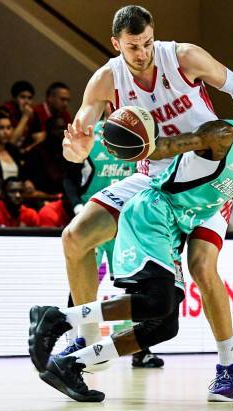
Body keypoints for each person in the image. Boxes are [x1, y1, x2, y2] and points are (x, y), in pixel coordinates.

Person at [55, 5, 233, 401]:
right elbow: (79, 141)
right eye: (133, 47)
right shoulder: (106, 79)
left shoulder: (183, 56)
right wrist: (77, 149)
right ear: (115, 44)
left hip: (206, 178)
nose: (142, 53)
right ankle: (86, 342)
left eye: (147, 43)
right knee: (74, 238)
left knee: (202, 268)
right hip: (154, 180)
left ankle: (228, 369)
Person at [61, 119, 162, 368]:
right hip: (95, 218)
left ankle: (141, 349)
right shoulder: (91, 135)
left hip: (126, 221)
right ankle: (75, 341)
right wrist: (76, 206)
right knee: (83, 281)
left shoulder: (143, 134)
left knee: (135, 285)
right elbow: (69, 177)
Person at [0, 80, 35, 147]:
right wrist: (25, 117)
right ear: (13, 99)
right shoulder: (5, 112)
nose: (26, 101)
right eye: (22, 97)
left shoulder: (31, 112)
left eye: (29, 98)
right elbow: (11, 143)